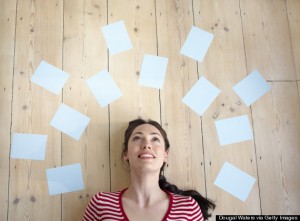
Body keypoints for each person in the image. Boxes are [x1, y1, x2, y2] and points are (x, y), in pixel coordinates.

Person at [83, 118, 215, 221]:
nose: (146, 145)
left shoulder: (189, 207)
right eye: (137, 138)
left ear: (165, 155)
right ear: (126, 153)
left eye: (155, 139)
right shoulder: (100, 204)